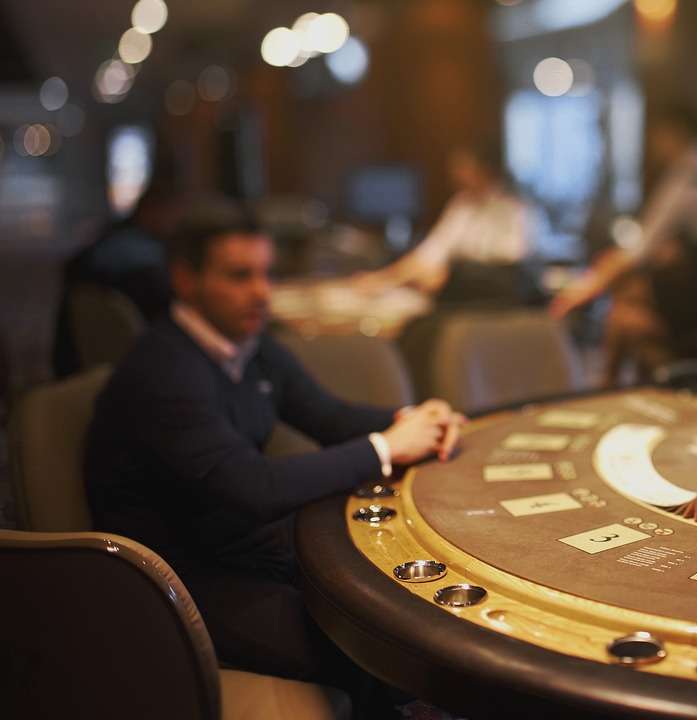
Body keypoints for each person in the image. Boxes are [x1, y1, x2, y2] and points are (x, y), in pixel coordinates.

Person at [84, 199, 465, 716]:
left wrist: (414, 418)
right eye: (239, 276)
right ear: (185, 279)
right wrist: (386, 447)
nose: (261, 292)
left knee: (405, 611)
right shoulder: (163, 371)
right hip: (177, 581)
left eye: (265, 273)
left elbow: (329, 416)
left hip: (245, 550)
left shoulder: (250, 346)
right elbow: (251, 487)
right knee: (377, 646)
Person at [548, 104, 697, 384]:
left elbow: (639, 250)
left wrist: (582, 291)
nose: (654, 144)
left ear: (675, 132)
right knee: (629, 306)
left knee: (624, 313)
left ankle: (611, 388)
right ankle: (632, 385)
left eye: (658, 135)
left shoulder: (691, 173)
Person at [354, 145, 543, 305]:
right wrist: (383, 279)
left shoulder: (514, 206)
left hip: (497, 301)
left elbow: (510, 259)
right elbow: (429, 253)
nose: (455, 174)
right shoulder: (462, 203)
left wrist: (448, 275)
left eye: (463, 167)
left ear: (485, 170)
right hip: (459, 296)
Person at [53, 180, 183, 376]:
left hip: (82, 351)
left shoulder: (115, 236)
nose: (174, 222)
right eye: (171, 214)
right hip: (129, 351)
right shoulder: (137, 251)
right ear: (151, 211)